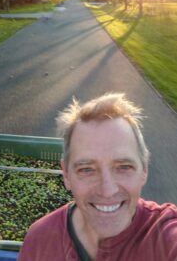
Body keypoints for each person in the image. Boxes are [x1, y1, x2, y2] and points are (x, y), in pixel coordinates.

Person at [17, 93, 177, 261]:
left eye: (123, 167)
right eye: (87, 169)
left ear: (144, 170)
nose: (107, 191)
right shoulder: (39, 241)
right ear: (66, 175)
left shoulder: (165, 234)